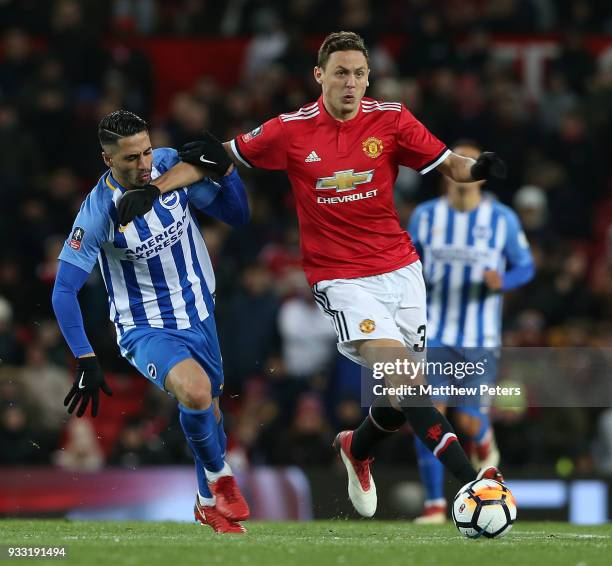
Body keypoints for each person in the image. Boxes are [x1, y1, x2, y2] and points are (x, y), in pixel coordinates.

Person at [118, 32, 508, 518]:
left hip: (402, 271)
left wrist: (478, 169)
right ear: (319, 75)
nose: (351, 83)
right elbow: (217, 157)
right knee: (408, 382)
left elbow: (449, 163)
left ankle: (356, 448)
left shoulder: (391, 120)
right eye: (341, 73)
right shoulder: (291, 129)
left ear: (369, 78)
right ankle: (474, 485)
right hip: (340, 279)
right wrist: (154, 190)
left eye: (359, 74)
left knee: (395, 398)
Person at [51, 110, 251, 533]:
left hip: (200, 312)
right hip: (145, 327)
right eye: (130, 159)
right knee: (196, 393)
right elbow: (63, 290)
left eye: (145, 152)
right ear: (108, 160)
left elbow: (238, 217)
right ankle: (220, 479)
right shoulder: (96, 213)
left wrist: (228, 173)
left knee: (211, 413)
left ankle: (204, 504)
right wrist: (85, 356)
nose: (143, 165)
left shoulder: (166, 166)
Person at [408, 140, 535, 523]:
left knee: (466, 420)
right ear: (447, 174)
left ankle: (482, 436)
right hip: (435, 335)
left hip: (480, 339)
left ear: (479, 174)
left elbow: (526, 267)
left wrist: (504, 281)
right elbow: (408, 260)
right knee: (430, 413)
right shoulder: (425, 216)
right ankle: (434, 504)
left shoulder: (503, 220)